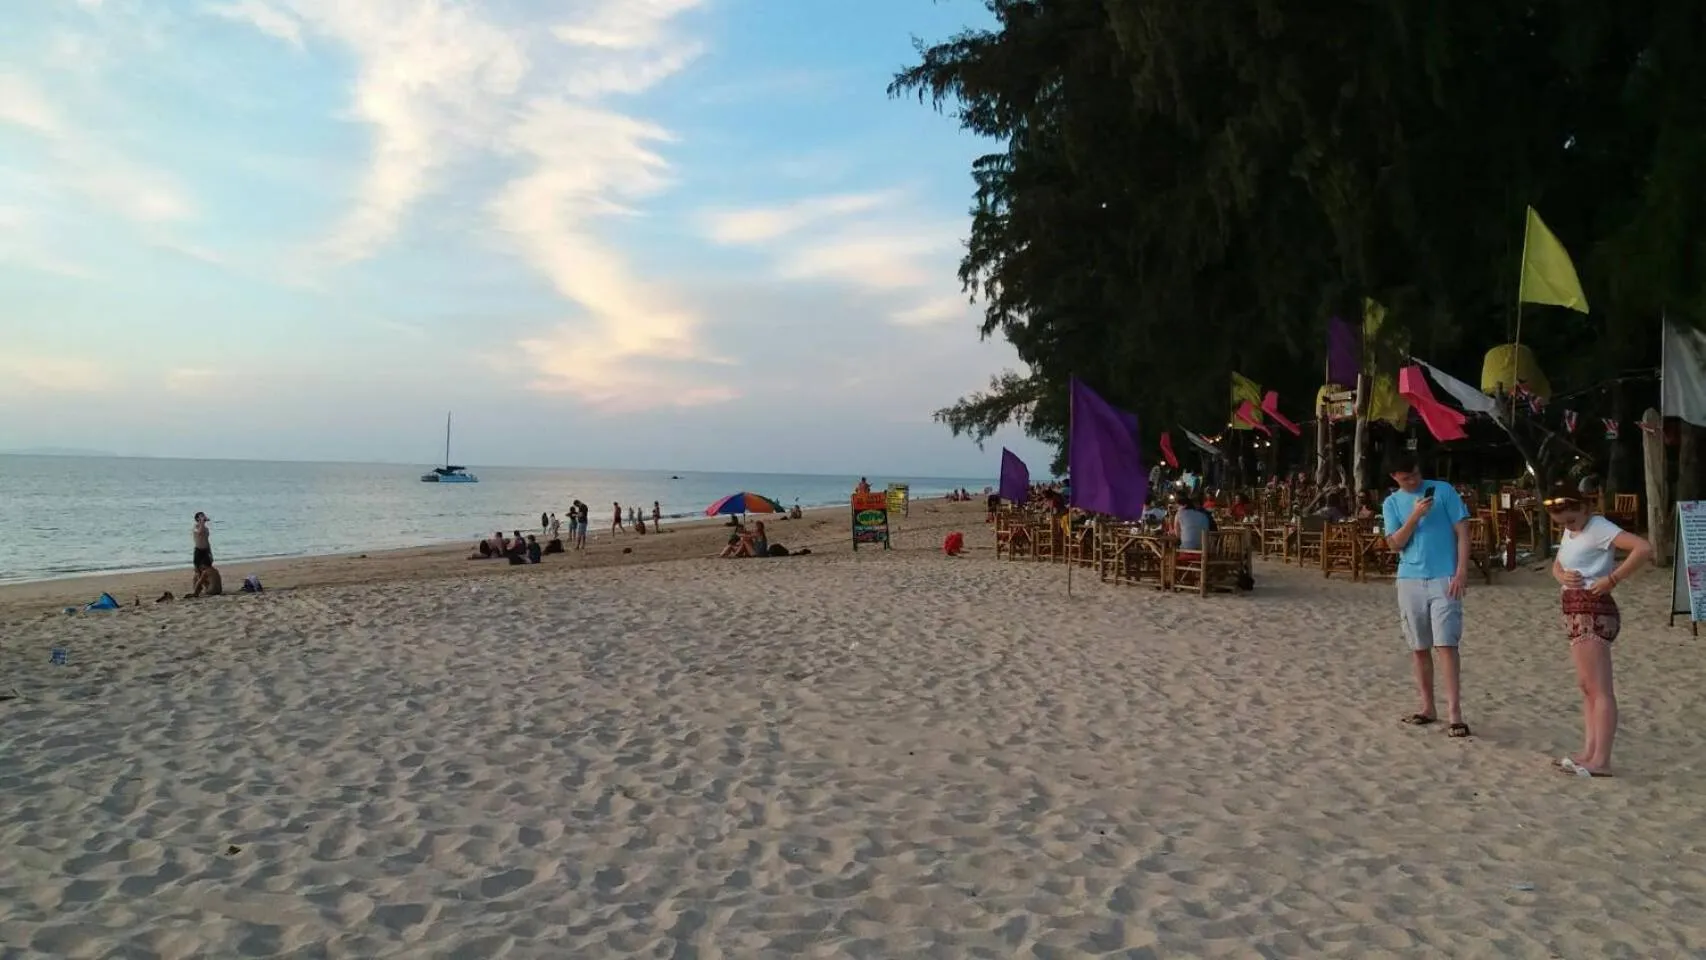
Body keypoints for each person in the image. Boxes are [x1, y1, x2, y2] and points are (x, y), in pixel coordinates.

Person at [1546, 485, 1652, 777]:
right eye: (1562, 523)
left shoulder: (1599, 527)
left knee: (1599, 688)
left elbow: (1643, 548)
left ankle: (1601, 759)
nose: (1568, 527)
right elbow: (1558, 564)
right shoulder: (1572, 531)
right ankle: (1589, 751)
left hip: (1593, 610)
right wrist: (1561, 575)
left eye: (1571, 520)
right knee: (1586, 686)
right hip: (1573, 608)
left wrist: (1613, 579)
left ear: (1584, 508)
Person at [1381, 453, 1472, 738]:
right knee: (1419, 646)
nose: (1414, 481)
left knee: (1446, 644)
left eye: (1416, 474)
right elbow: (1394, 544)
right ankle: (1427, 707)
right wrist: (1415, 515)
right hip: (1409, 578)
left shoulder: (1443, 490)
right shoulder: (1392, 503)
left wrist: (1461, 570)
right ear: (1395, 477)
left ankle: (1455, 713)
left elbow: (1463, 531)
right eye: (1406, 478)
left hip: (1444, 577)